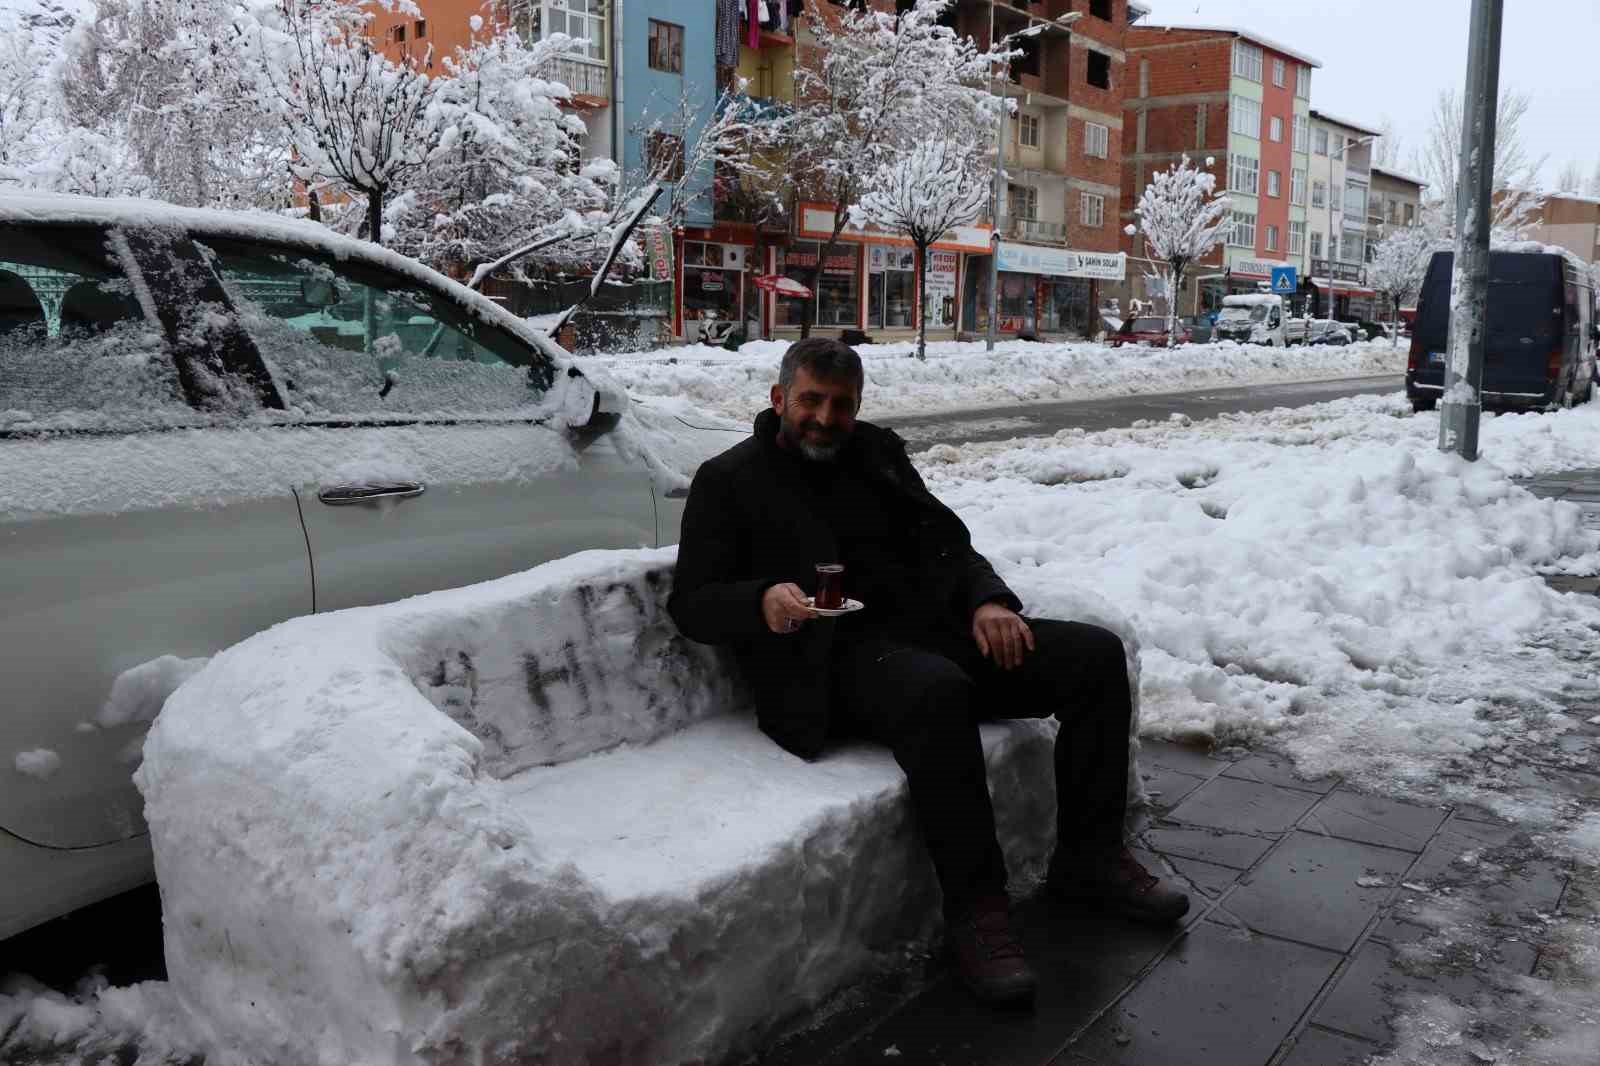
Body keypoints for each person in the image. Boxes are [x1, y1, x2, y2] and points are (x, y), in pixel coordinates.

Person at [667, 338, 1188, 1005]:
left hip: (929, 635)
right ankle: (977, 914)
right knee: (936, 693)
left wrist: (987, 599)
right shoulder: (730, 479)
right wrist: (761, 599)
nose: (825, 419)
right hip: (827, 664)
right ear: (779, 399)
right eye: (811, 401)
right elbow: (692, 602)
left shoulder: (877, 456)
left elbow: (946, 541)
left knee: (1093, 656)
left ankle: (1088, 861)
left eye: (841, 405)